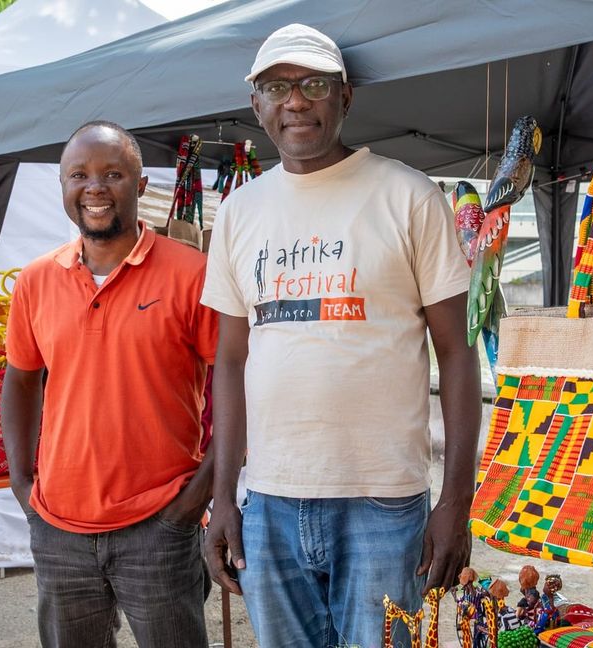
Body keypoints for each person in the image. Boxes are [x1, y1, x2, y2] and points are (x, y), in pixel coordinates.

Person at [201, 23, 482, 647]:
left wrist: (456, 501)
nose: (295, 101)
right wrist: (224, 499)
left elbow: (458, 353)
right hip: (269, 500)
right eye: (277, 86)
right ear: (256, 105)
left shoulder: (408, 196)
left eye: (314, 86)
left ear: (345, 98)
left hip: (384, 502)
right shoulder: (239, 213)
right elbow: (229, 359)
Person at [2, 121, 218, 648]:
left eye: (112, 174)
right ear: (62, 187)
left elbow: (240, 387)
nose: (94, 187)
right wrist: (21, 482)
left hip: (160, 523)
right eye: (79, 174)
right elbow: (21, 381)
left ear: (140, 186)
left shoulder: (192, 274)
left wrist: (196, 499)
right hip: (58, 527)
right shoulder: (35, 280)